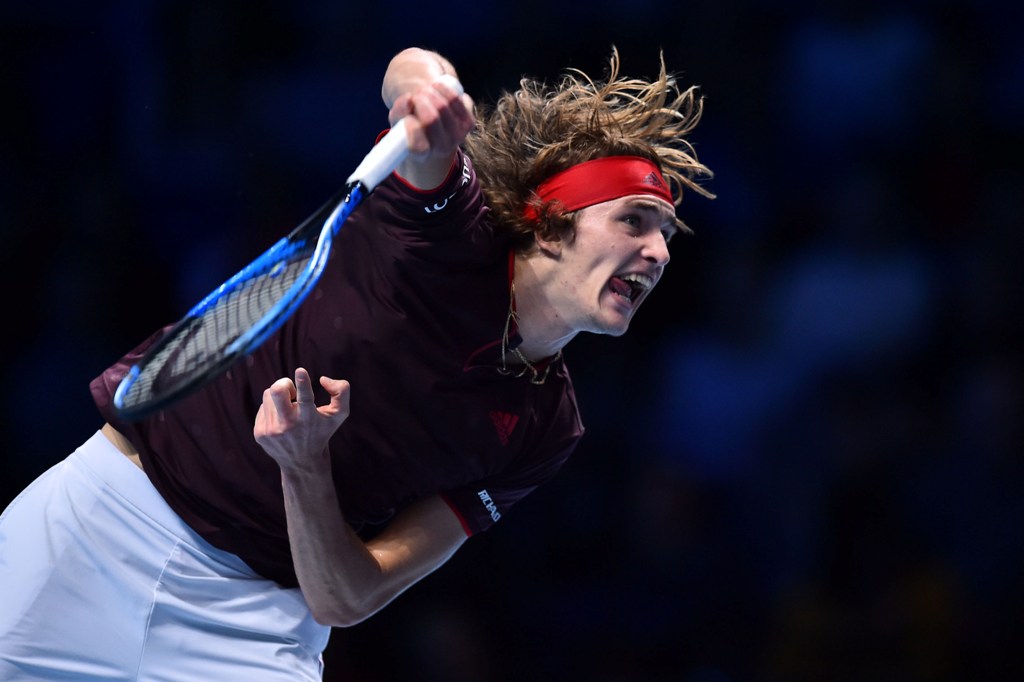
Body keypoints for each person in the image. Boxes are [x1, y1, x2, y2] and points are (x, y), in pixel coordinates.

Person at [0, 46, 714, 680]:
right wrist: (429, 87)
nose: (659, 253)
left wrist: (305, 467)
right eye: (634, 221)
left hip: (254, 625)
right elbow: (410, 71)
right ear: (548, 219)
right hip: (100, 527)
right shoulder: (441, 229)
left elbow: (346, 595)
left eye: (666, 235)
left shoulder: (546, 427)